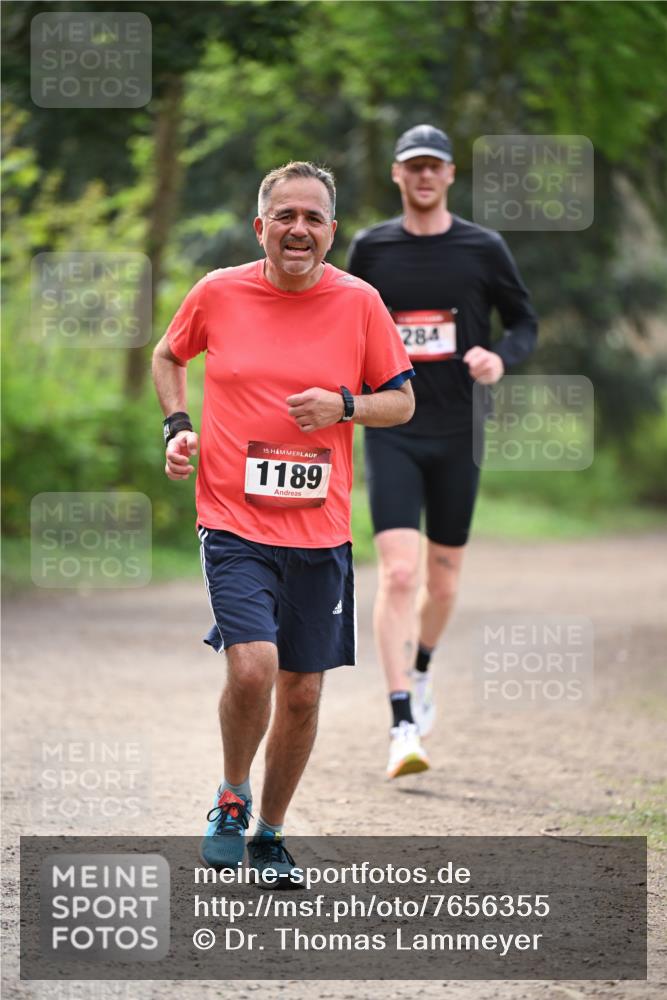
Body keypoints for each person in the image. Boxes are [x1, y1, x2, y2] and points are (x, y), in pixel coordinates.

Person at [152, 161, 414, 881]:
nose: (298, 229)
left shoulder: (359, 303)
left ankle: (270, 833)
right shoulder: (218, 292)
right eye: (285, 216)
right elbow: (168, 354)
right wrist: (177, 427)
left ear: (331, 231)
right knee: (254, 665)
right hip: (233, 519)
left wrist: (345, 405)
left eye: (313, 218)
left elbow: (402, 401)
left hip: (320, 530)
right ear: (260, 224)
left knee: (302, 691)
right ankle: (231, 797)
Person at [347, 125, 538, 780]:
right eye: (412, 167)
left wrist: (498, 357)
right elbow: (343, 321)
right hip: (392, 426)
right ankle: (401, 721)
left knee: (444, 576)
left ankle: (422, 669)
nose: (423, 176)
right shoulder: (369, 249)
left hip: (459, 431)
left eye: (433, 167)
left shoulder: (482, 247)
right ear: (395, 176)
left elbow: (524, 322)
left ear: (450, 175)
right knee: (398, 573)